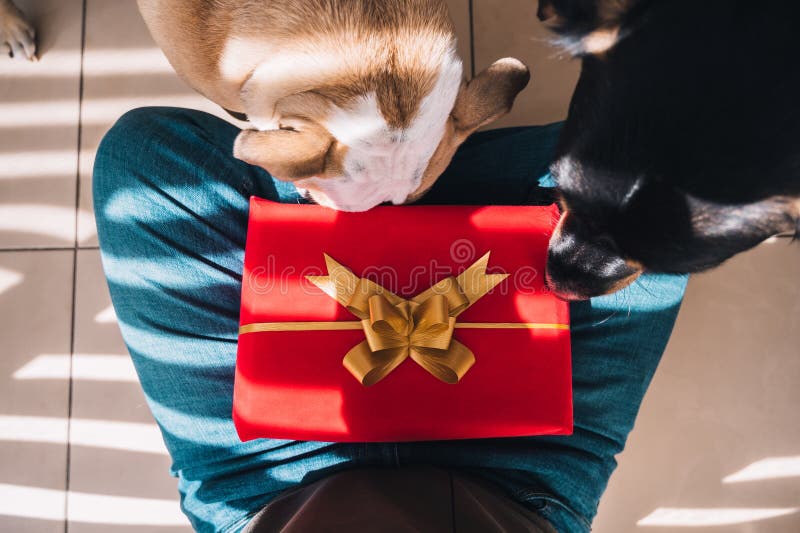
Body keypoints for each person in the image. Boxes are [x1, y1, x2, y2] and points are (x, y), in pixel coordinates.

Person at [93, 107, 687, 533]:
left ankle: (393, 179)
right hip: (519, 481)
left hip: (274, 479)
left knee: (146, 157)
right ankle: (412, 173)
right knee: (666, 171)